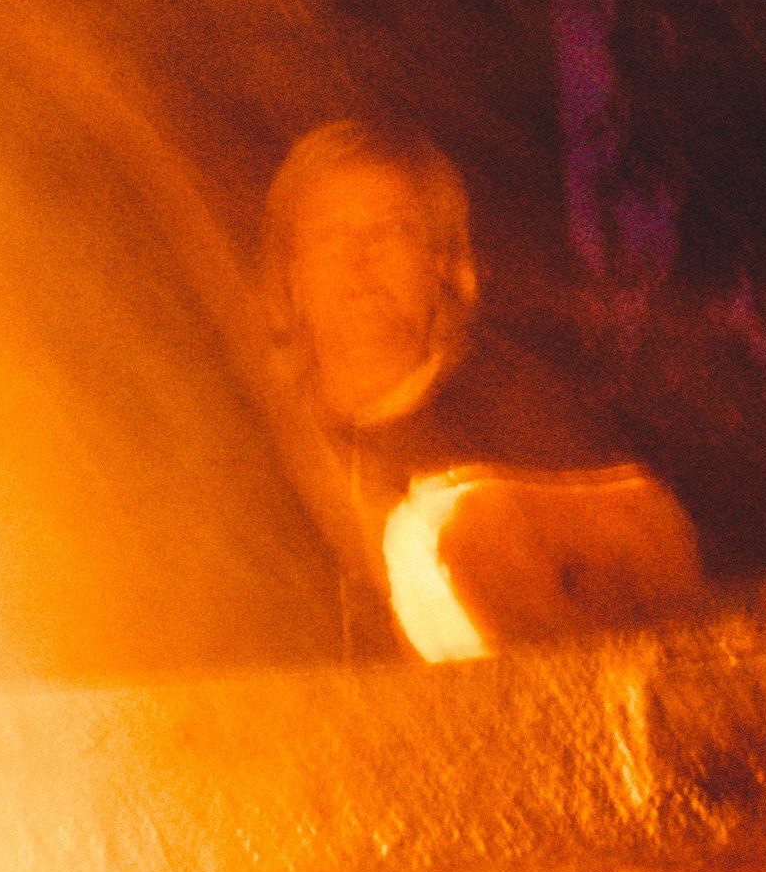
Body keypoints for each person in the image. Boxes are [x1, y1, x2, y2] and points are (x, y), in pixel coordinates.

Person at [252, 120, 698, 657]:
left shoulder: (532, 428)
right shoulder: (251, 450)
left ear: (440, 262)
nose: (358, 261)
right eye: (329, 235)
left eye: (391, 230)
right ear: (292, 275)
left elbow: (660, 563)